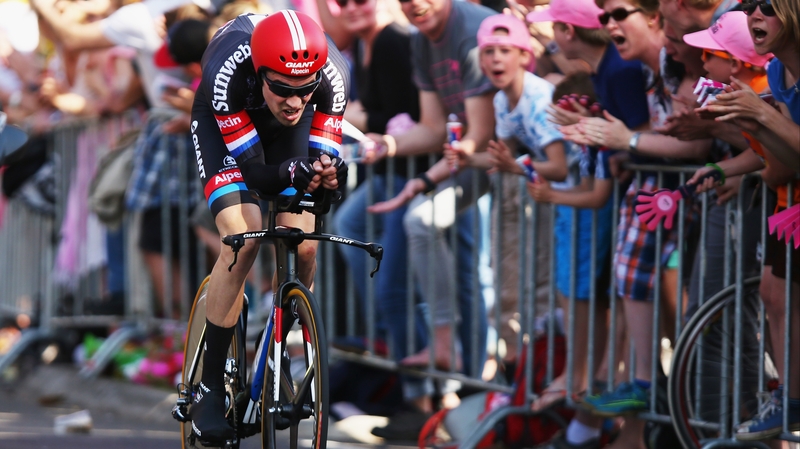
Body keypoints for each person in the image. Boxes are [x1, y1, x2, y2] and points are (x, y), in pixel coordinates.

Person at [187, 11, 349, 444]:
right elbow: (255, 175)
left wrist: (331, 176)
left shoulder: (332, 76)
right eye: (282, 87)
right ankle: (209, 385)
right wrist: (293, 170)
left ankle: (275, 355)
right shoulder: (227, 72)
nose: (295, 100)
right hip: (227, 126)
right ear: (261, 73)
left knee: (306, 245)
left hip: (282, 135)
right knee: (245, 233)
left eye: (305, 90)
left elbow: (325, 185)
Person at [364, 0, 496, 378]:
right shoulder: (421, 39)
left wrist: (430, 177)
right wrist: (387, 145)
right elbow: (434, 128)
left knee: (481, 277)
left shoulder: (470, 31)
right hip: (472, 159)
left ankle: (482, 381)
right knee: (421, 224)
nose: (414, 3)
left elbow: (481, 135)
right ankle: (447, 350)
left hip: (510, 161)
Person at [690, 0, 800, 439]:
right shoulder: (777, 74)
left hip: (788, 203)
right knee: (773, 294)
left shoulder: (767, 82)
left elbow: (780, 164)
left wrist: (758, 116)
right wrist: (727, 155)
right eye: (750, 4)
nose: (755, 13)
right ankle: (790, 398)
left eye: (768, 6)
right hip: (789, 204)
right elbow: (786, 161)